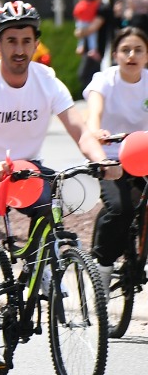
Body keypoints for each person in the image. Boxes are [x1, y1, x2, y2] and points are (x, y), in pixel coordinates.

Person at [0, 1, 113, 372]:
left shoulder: (47, 80)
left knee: (54, 216)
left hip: (24, 170)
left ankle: (46, 270)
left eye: (26, 40)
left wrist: (98, 159)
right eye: (11, 41)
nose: (19, 49)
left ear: (36, 43)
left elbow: (79, 129)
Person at [83, 26, 148, 295]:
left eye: (138, 50)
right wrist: (96, 130)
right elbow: (93, 113)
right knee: (121, 208)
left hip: (144, 156)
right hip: (111, 158)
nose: (131, 55)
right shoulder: (104, 80)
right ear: (115, 54)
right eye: (125, 50)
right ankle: (103, 268)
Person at [74, 0, 105, 90]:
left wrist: (80, 32)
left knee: (85, 75)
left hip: (96, 51)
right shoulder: (95, 6)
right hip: (91, 49)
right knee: (88, 75)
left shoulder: (102, 8)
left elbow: (90, 29)